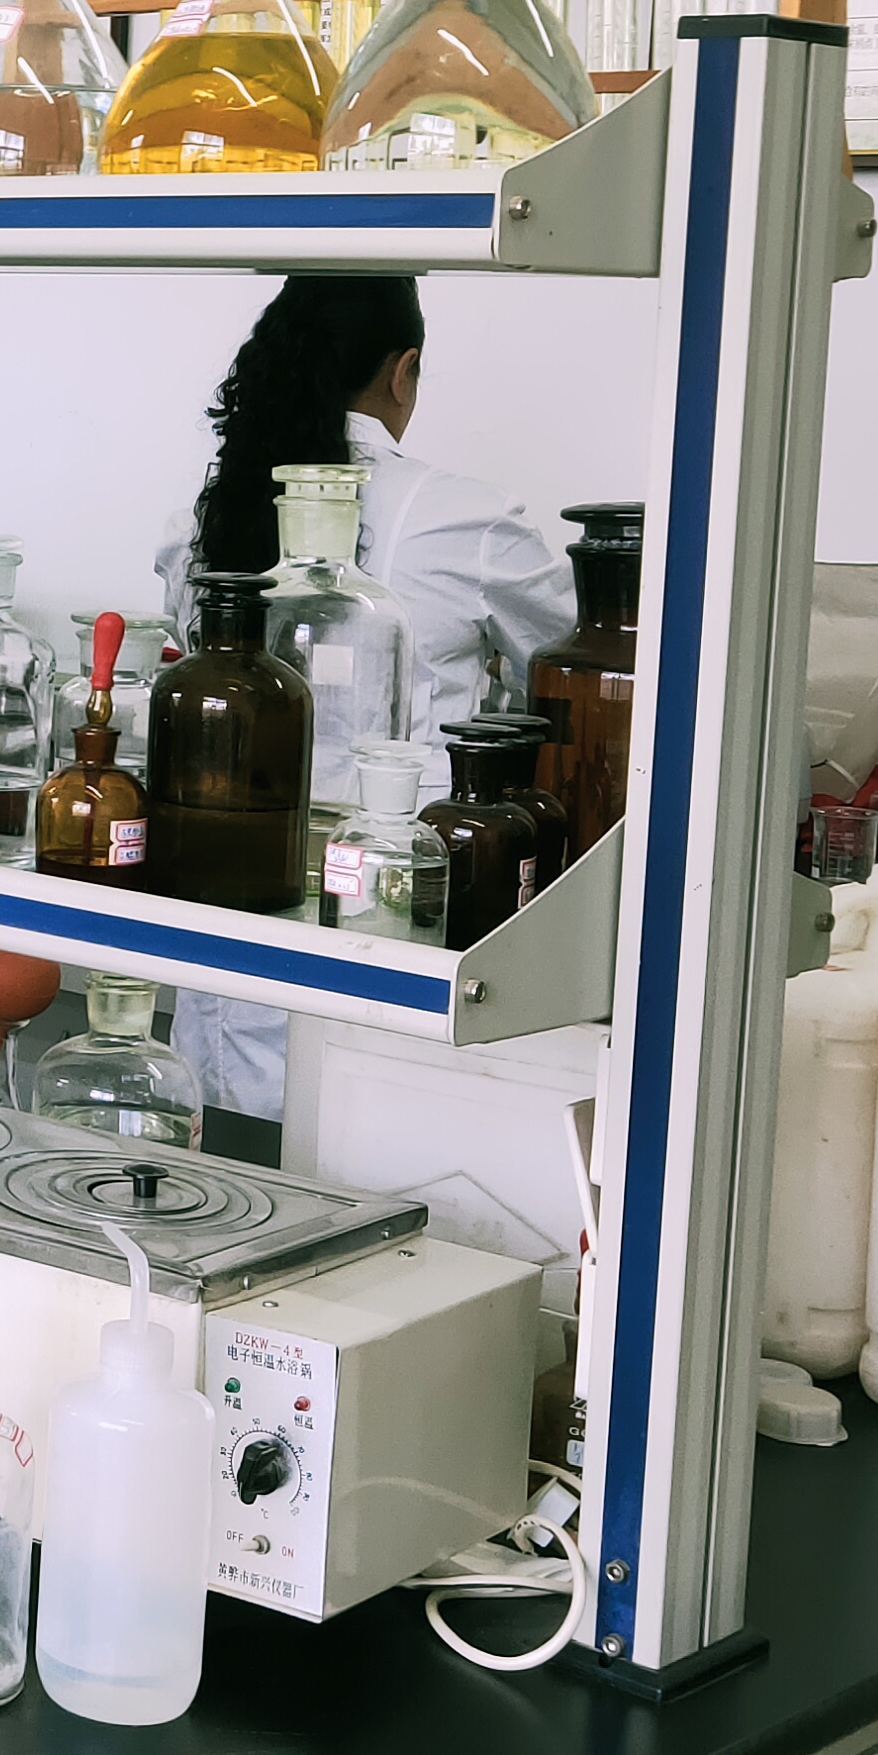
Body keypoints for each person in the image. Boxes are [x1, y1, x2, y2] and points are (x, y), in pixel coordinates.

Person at [148, 273, 573, 1121]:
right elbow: (573, 673)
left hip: (233, 888)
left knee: (228, 1146)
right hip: (396, 902)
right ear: (401, 370)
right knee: (363, 1143)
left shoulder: (210, 509)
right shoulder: (466, 520)